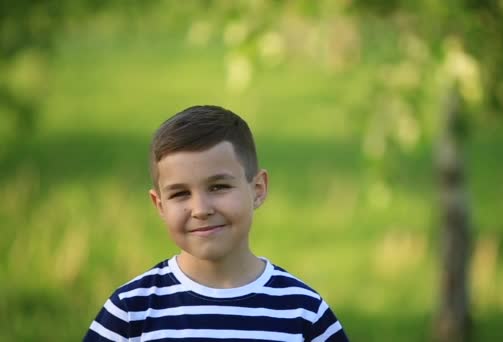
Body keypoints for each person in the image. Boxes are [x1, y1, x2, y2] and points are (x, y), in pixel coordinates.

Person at [84, 105, 349, 341]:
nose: (200, 210)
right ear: (160, 205)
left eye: (218, 186)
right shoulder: (132, 311)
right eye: (180, 194)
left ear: (257, 189)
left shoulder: (304, 312)